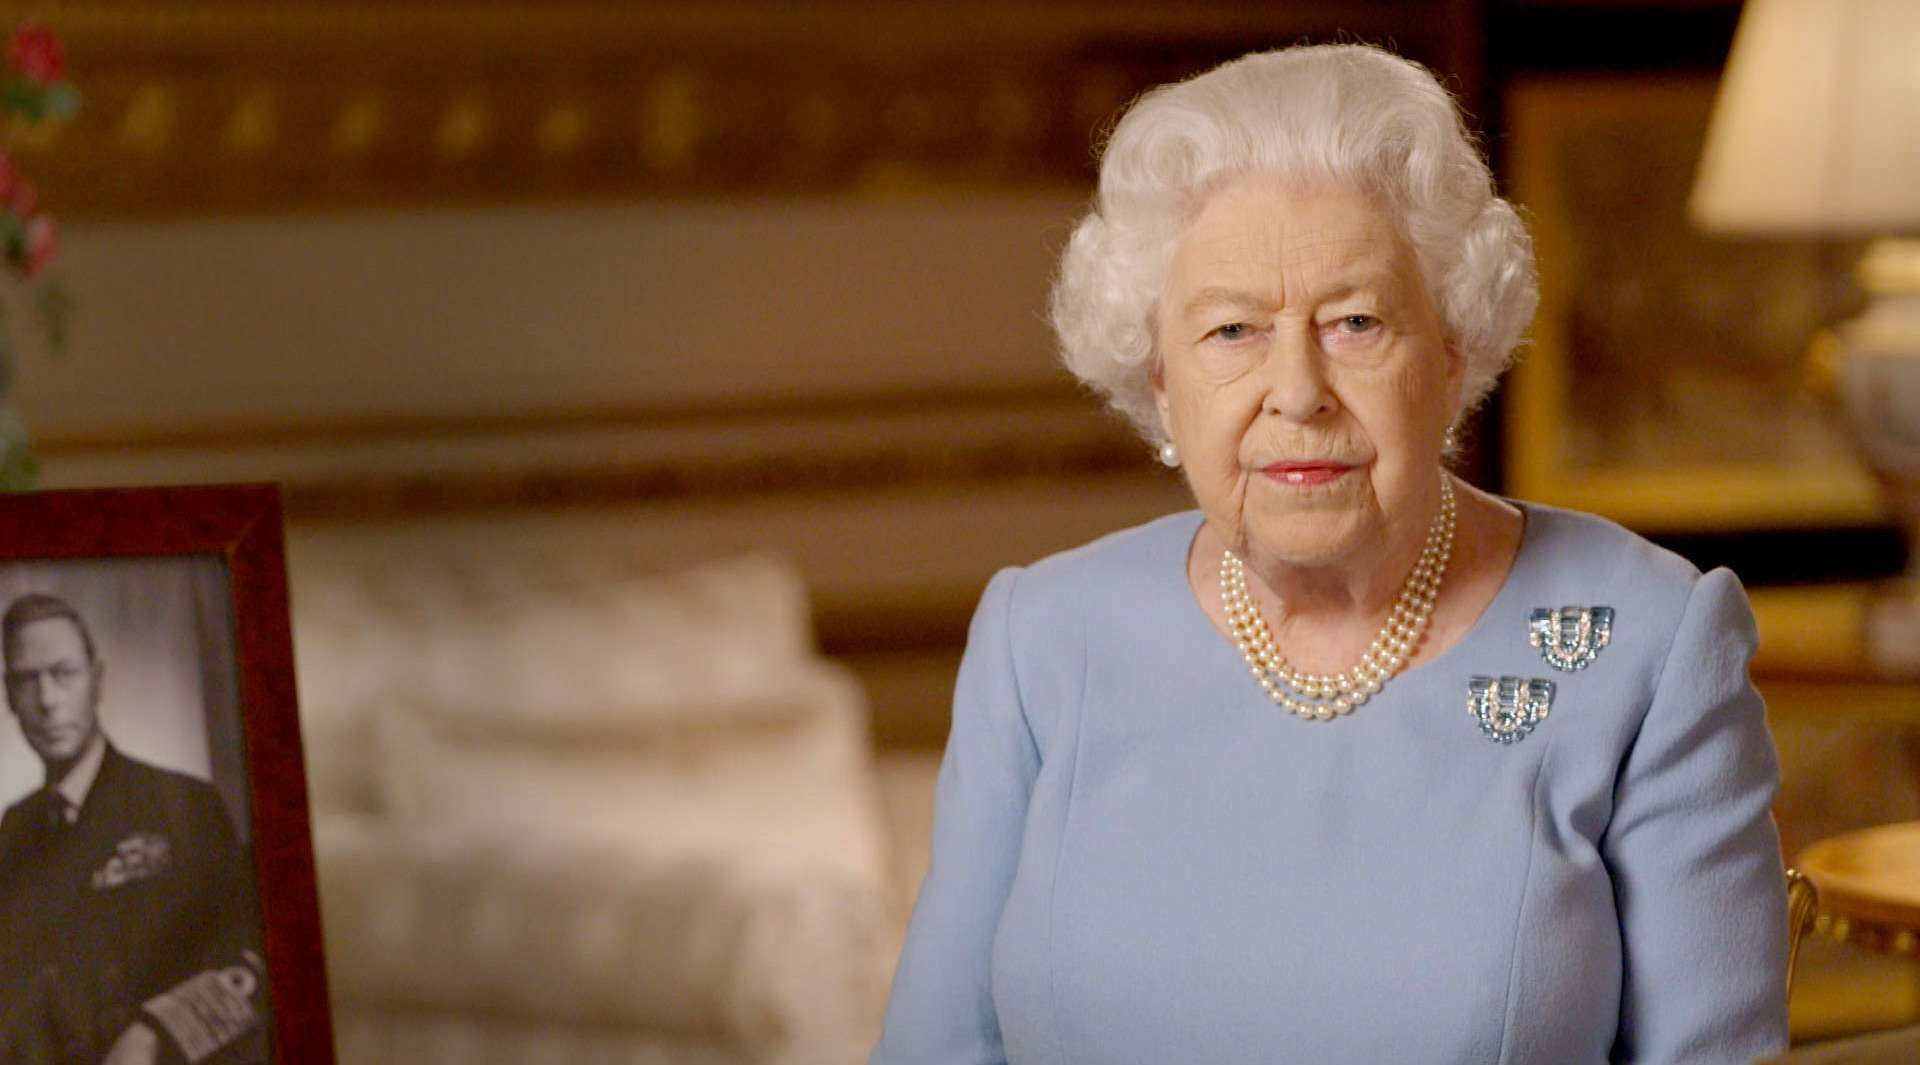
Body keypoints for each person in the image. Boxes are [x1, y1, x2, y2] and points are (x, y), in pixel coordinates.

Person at [870, 44, 1787, 1064]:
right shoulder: (1041, 639)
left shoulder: (1645, 646)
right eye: (1231, 331)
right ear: (1160, 379)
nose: (1297, 389)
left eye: (1355, 323)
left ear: (1450, 356)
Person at [0, 592, 268, 1065]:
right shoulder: (13, 831)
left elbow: (248, 955)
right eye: (27, 680)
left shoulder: (184, 804)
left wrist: (153, 1035)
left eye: (64, 674)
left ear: (96, 681)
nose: (47, 700)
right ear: (9, 697)